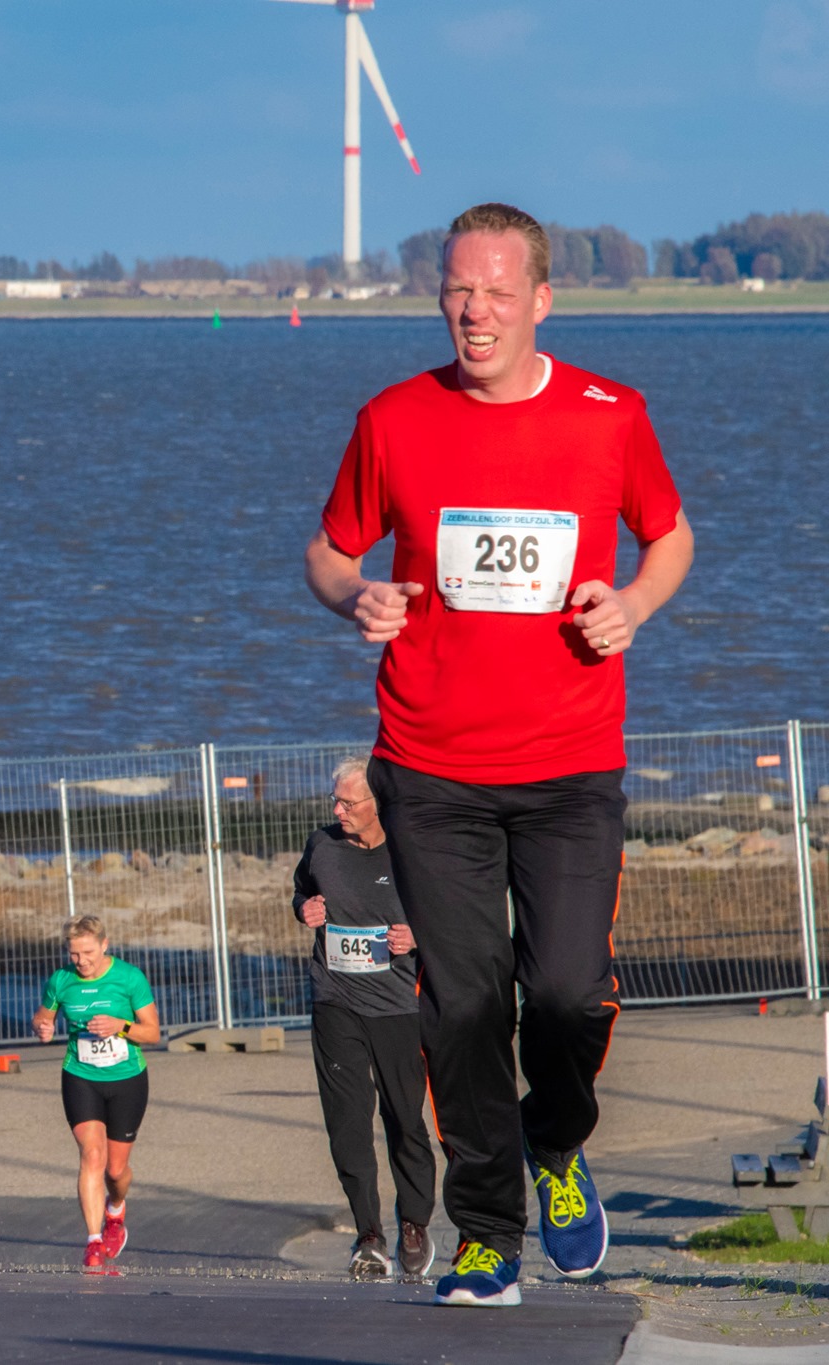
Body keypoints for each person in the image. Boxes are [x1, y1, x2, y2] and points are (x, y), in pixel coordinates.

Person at [305, 202, 693, 1307]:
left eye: (492, 291)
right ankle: (486, 1231)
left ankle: (556, 1145)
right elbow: (327, 548)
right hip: (428, 767)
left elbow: (667, 534)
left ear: (539, 300)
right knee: (462, 1007)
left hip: (571, 765)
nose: (471, 312)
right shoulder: (394, 417)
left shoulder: (609, 416)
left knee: (566, 995)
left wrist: (631, 603)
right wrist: (355, 595)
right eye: (453, 291)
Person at [293, 757, 437, 1281]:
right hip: (335, 1001)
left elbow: (449, 911)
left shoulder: (411, 851)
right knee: (348, 1124)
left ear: (378, 805)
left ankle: (415, 1223)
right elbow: (300, 890)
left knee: (404, 1119)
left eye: (349, 803)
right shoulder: (322, 845)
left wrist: (419, 937)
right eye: (335, 801)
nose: (338, 810)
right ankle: (369, 1235)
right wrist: (304, 909)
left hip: (399, 1007)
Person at [33, 916, 160, 1272]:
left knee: (115, 1170)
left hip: (126, 1079)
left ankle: (115, 1210)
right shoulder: (61, 980)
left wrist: (121, 1026)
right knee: (92, 1155)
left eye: (87, 952)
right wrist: (43, 1027)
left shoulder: (129, 978)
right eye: (74, 954)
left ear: (105, 945)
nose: (81, 961)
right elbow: (43, 1016)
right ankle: (92, 1241)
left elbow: (152, 1034)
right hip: (80, 1075)